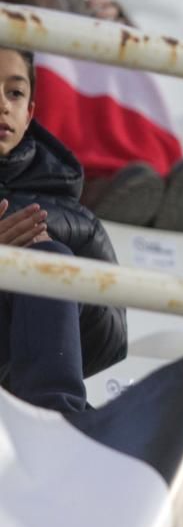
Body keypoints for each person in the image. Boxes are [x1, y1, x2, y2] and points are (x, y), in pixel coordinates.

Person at [0, 0, 183, 233]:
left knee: (117, 51)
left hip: (64, 35)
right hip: (22, 40)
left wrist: (110, 13)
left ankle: (157, 183)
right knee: (39, 67)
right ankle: (90, 188)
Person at [0, 47, 127, 412]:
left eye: (15, 92)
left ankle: (59, 420)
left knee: (47, 261)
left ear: (29, 114)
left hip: (21, 385)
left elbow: (110, 341)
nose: (3, 105)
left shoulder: (75, 216)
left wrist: (48, 272)